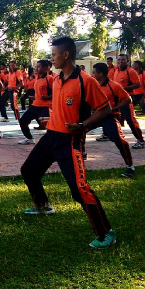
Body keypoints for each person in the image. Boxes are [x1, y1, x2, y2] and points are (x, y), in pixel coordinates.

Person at [20, 36, 115, 249]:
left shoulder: (85, 80)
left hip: (70, 141)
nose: (51, 59)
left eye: (54, 55)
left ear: (65, 55)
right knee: (29, 170)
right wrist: (50, 120)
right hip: (51, 136)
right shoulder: (56, 79)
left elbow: (105, 109)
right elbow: (61, 107)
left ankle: (106, 232)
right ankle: (43, 206)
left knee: (79, 189)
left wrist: (83, 125)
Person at [91, 63, 136, 178]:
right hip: (96, 115)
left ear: (100, 74)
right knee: (79, 130)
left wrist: (113, 109)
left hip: (110, 116)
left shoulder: (114, 86)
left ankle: (130, 166)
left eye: (94, 72)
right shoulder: (93, 84)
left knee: (119, 140)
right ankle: (79, 157)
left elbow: (128, 99)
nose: (92, 74)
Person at [113, 54, 145, 148]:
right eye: (119, 59)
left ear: (127, 61)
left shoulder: (131, 71)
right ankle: (118, 138)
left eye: (123, 59)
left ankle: (140, 140)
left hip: (127, 99)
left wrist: (124, 88)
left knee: (131, 120)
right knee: (114, 119)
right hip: (117, 100)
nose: (120, 61)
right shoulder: (116, 71)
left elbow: (138, 85)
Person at [18, 60, 53, 145]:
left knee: (49, 126)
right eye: (36, 66)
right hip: (35, 105)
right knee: (23, 121)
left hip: (45, 106)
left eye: (38, 67)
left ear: (45, 68)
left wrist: (47, 97)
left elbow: (56, 92)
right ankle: (29, 138)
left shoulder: (50, 79)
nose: (36, 68)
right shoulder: (36, 78)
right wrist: (34, 97)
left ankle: (54, 143)